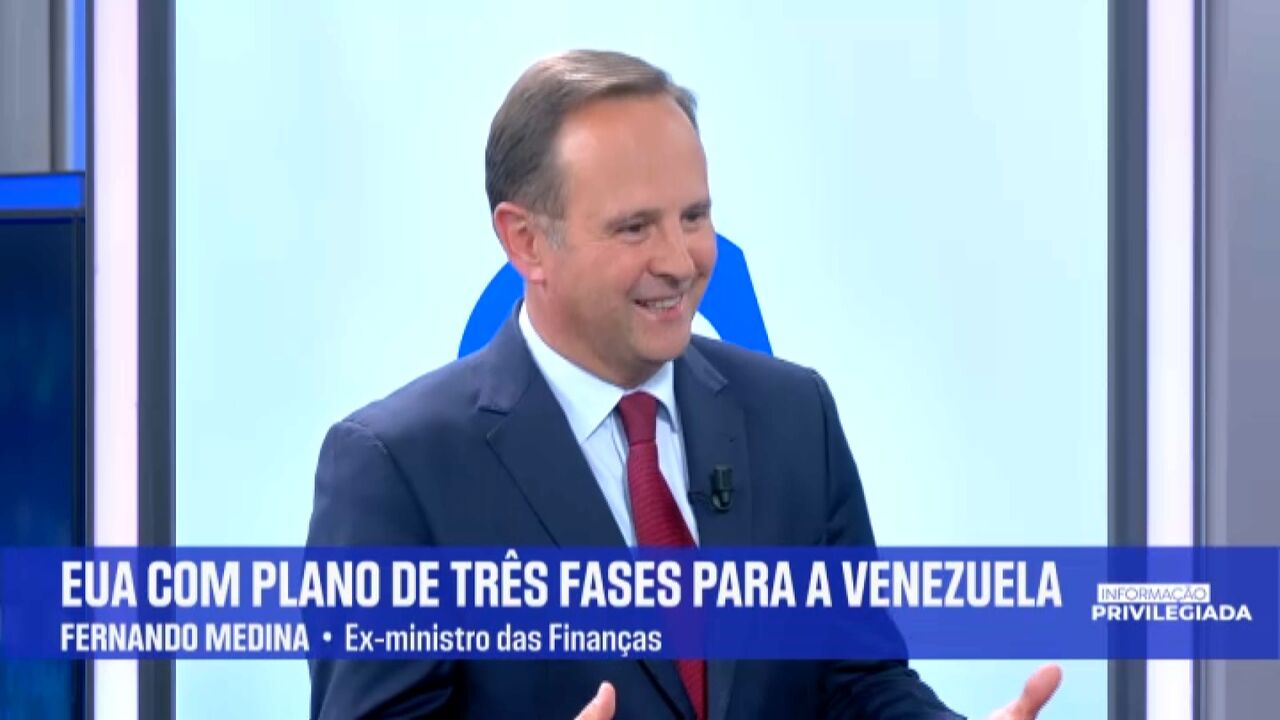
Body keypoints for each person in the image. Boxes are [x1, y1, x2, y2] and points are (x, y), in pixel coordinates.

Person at [308, 49, 1062, 720]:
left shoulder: (794, 417)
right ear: (527, 241)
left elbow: (857, 682)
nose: (680, 261)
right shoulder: (396, 469)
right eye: (635, 227)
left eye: (694, 216)